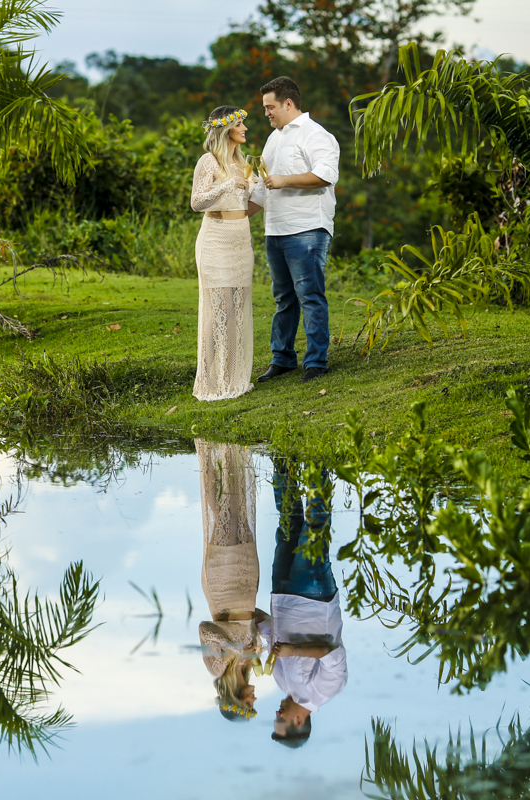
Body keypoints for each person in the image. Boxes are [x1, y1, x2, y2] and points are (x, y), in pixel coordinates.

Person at [248, 76, 340, 383]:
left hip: (306, 229)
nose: (266, 113)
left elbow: (326, 175)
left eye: (270, 107)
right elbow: (263, 189)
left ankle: (316, 362)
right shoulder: (274, 138)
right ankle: (283, 359)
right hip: (274, 230)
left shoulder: (316, 134)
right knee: (283, 298)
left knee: (310, 296)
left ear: (288, 103)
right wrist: (232, 217)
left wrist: (285, 180)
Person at [258, 458, 348, 747]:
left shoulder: (282, 684)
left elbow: (271, 633)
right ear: (298, 722)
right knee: (315, 528)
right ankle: (318, 462)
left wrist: (250, 638)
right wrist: (293, 650)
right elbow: (331, 653)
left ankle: (283, 462)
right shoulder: (326, 691)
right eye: (281, 719)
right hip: (313, 597)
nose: (277, 713)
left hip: (282, 595)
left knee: (288, 524)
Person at [194, 439, 265, 721]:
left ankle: (219, 450)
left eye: (250, 704)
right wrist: (266, 636)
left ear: (234, 699)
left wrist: (235, 647)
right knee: (241, 514)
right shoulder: (250, 664)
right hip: (247, 585)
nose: (254, 699)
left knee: (226, 514)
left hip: (223, 587)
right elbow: (254, 621)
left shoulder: (216, 668)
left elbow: (205, 630)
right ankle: (232, 450)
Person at [190, 106, 257, 402]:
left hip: (241, 241)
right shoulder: (209, 161)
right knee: (219, 311)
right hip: (215, 240)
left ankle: (232, 380)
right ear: (225, 129)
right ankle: (208, 381)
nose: (245, 128)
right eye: (240, 124)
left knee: (237, 312)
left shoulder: (243, 163)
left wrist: (262, 187)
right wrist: (228, 184)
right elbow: (196, 202)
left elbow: (247, 202)